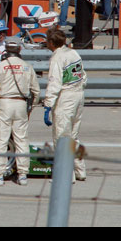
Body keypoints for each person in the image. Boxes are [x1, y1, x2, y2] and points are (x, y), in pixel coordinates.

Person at [0, 36, 40, 186]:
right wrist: (31, 108)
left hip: (4, 103)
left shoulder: (0, 66)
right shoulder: (27, 67)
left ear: (6, 49)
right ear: (20, 49)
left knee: (1, 139)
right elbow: (36, 91)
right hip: (21, 104)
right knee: (21, 139)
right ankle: (22, 174)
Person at [43, 27, 87, 183]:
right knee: (74, 136)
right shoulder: (73, 53)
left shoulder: (57, 58)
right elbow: (83, 75)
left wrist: (48, 105)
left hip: (66, 98)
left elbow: (54, 83)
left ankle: (65, 175)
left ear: (51, 43)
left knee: (62, 137)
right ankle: (80, 170)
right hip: (79, 95)